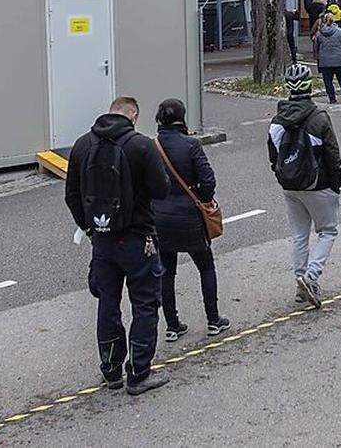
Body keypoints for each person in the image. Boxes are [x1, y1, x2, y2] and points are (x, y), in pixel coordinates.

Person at [65, 96, 171, 396]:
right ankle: (139, 373)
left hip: (102, 240)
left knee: (107, 304)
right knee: (145, 303)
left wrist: (89, 227)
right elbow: (161, 190)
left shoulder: (83, 145)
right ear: (133, 115)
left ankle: (111, 369)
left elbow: (71, 194)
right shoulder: (140, 145)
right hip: (138, 237)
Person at [150, 99, 228, 341]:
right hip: (189, 216)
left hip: (160, 217)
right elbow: (208, 181)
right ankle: (213, 320)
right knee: (205, 266)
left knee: (166, 272)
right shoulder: (191, 145)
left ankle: (172, 325)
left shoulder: (152, 146)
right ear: (182, 118)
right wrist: (202, 199)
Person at [267, 64, 341, 308]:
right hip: (318, 185)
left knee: (299, 235)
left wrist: (282, 178)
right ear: (310, 86)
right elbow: (333, 154)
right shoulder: (319, 118)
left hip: (290, 186)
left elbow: (273, 157)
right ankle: (311, 276)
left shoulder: (277, 122)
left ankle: (300, 282)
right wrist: (335, 184)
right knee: (327, 231)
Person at [315, 14, 341, 105]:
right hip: (340, 60)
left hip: (325, 61)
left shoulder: (319, 33)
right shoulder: (340, 32)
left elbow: (316, 47)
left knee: (328, 81)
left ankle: (332, 99)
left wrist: (318, 57)